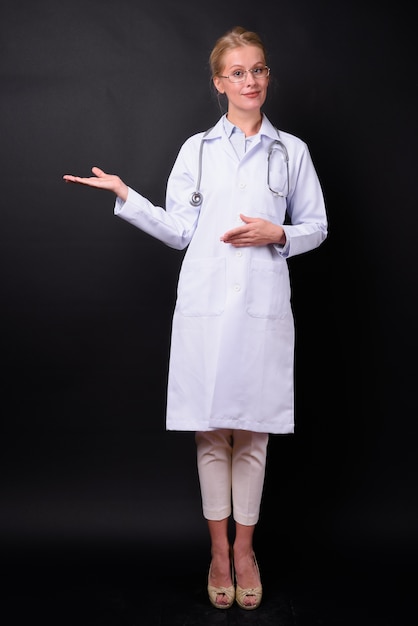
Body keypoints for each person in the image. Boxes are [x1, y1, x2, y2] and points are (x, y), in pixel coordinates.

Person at [63, 26, 327, 610]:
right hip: (208, 307)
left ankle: (245, 551)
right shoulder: (197, 150)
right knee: (211, 433)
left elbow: (317, 226)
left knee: (253, 434)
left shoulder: (292, 152)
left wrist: (277, 231)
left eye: (257, 70)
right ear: (219, 83)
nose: (250, 81)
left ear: (266, 76)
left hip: (261, 306)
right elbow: (181, 230)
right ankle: (217, 551)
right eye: (238, 72)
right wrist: (127, 195)